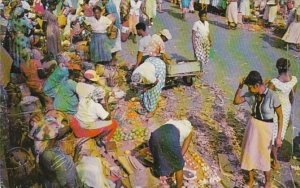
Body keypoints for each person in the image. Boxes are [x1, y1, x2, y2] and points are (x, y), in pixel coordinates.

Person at [233, 70, 283, 188]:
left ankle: (268, 181)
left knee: (264, 156)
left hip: (266, 129)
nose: (249, 89)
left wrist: (279, 136)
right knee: (249, 153)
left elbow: (280, 116)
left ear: (256, 85)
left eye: (250, 87)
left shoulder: (272, 96)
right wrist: (240, 87)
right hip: (252, 126)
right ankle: (251, 180)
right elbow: (236, 101)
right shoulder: (252, 94)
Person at [268, 58, 297, 170]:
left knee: (274, 133)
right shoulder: (293, 80)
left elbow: (267, 98)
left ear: (277, 68)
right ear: (288, 67)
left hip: (277, 109)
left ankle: (275, 160)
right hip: (287, 107)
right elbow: (292, 97)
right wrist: (289, 112)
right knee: (281, 132)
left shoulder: (274, 82)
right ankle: (275, 156)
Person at [149, 119, 193, 188]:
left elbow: (161, 136)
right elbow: (184, 148)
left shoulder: (172, 121)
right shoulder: (189, 131)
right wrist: (177, 162)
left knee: (160, 154)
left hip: (154, 135)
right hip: (170, 138)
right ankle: (179, 186)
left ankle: (159, 172)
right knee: (179, 166)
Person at [102, 0, 122, 65]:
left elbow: (112, 17)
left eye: (103, 0)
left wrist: (109, 30)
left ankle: (111, 60)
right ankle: (113, 59)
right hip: (116, 26)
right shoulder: (110, 3)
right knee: (115, 45)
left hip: (114, 28)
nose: (102, 2)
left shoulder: (108, 5)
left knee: (113, 45)